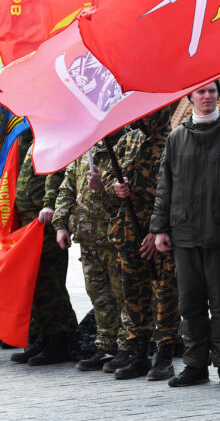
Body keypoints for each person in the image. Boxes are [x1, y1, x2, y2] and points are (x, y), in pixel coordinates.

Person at [151, 80, 220, 387]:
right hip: (184, 234)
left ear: (218, 96)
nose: (207, 97)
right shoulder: (177, 137)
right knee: (190, 302)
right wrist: (159, 228)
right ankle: (195, 365)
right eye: (201, 92)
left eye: (212, 91)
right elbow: (164, 185)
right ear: (190, 96)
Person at [103, 109, 181, 381]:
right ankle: (139, 355)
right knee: (134, 297)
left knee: (165, 296)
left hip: (161, 238)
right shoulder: (128, 140)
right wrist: (115, 187)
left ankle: (164, 357)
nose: (147, 116)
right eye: (145, 112)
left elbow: (180, 192)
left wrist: (157, 230)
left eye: (155, 112)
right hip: (127, 233)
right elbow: (106, 179)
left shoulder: (174, 140)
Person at [53, 136, 129, 372]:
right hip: (87, 239)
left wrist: (102, 188)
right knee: (98, 295)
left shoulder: (122, 149)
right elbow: (66, 188)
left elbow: (130, 195)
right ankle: (105, 347)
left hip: (114, 238)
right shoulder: (82, 148)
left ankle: (128, 348)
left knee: (123, 296)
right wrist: (61, 224)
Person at [9, 129, 76, 366]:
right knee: (34, 281)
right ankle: (43, 336)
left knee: (49, 280)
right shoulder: (30, 138)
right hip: (28, 221)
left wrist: (49, 205)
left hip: (45, 222)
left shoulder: (54, 136)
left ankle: (61, 338)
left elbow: (54, 174)